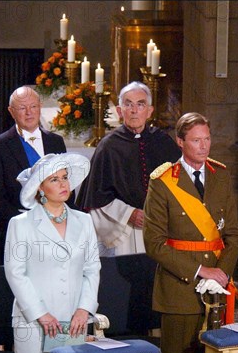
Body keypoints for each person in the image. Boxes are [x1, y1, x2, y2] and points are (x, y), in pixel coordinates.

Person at [143, 112, 238, 353]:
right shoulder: (163, 182)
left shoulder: (221, 177)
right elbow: (154, 244)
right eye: (196, 140)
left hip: (215, 291)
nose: (203, 146)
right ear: (181, 142)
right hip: (179, 288)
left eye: (207, 139)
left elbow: (234, 235)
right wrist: (201, 271)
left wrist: (222, 275)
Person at [4, 153, 100, 353]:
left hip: (72, 319)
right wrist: (40, 313)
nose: (62, 184)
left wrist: (85, 308)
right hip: (34, 321)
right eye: (54, 179)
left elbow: (92, 268)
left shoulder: (84, 222)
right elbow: (15, 274)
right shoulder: (20, 224)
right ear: (39, 188)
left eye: (65, 177)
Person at [76, 81, 181, 256]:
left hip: (163, 229)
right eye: (128, 104)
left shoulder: (163, 142)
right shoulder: (108, 147)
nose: (134, 110)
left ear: (149, 111)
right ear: (119, 111)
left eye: (140, 104)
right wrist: (129, 214)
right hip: (124, 232)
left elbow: (179, 187)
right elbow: (95, 197)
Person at [0, 86, 75, 257]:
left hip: (57, 230)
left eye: (33, 106)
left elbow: (68, 186)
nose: (29, 113)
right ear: (11, 112)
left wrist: (60, 221)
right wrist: (27, 225)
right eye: (22, 108)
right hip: (19, 233)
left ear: (40, 107)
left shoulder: (56, 142)